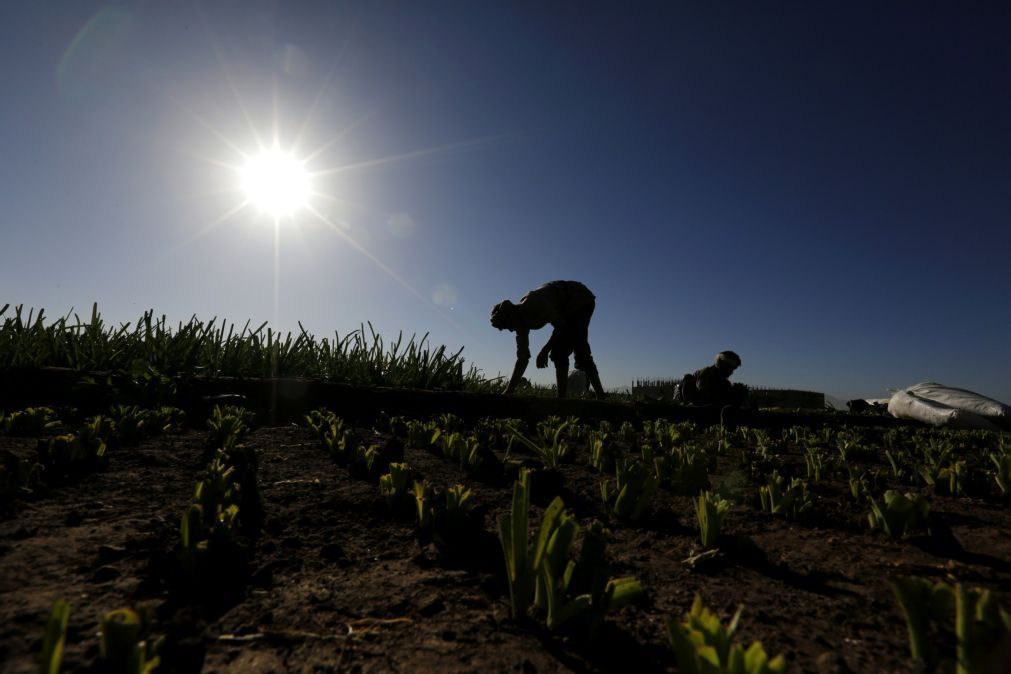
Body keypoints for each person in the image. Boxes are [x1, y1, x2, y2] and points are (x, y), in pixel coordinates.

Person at [490, 280, 605, 399]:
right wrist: (509, 391)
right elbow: (522, 358)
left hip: (579, 299)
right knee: (560, 351)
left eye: (508, 325)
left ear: (512, 314)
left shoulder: (534, 302)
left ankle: (598, 397)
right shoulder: (520, 325)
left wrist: (545, 350)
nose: (510, 330)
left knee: (573, 350)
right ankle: (562, 399)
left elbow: (561, 326)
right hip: (565, 309)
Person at [675, 351, 747, 407]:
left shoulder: (725, 383)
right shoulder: (705, 373)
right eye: (730, 368)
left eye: (733, 369)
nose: (731, 372)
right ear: (722, 364)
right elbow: (705, 398)